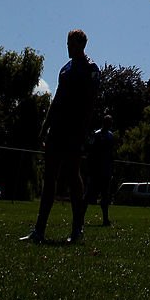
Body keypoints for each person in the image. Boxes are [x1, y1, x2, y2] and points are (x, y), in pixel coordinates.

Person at [21, 29, 100, 245]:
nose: (67, 47)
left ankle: (77, 229)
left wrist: (82, 133)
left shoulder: (90, 68)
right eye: (67, 43)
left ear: (80, 45)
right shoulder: (65, 69)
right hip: (57, 130)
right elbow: (56, 101)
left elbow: (90, 105)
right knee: (49, 178)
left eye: (71, 44)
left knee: (73, 177)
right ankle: (39, 230)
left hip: (74, 131)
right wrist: (45, 127)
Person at [82, 114, 114, 227]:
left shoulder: (111, 136)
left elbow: (111, 155)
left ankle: (105, 219)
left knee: (105, 196)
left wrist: (110, 169)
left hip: (105, 170)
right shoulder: (97, 135)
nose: (109, 124)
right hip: (96, 170)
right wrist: (90, 168)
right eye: (108, 122)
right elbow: (90, 152)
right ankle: (80, 218)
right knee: (88, 194)